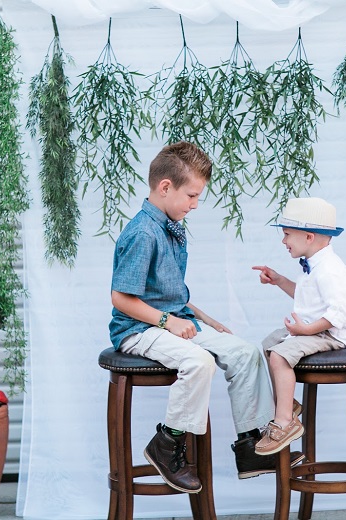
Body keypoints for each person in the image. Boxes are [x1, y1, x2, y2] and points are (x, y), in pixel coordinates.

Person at [109, 141, 301, 493]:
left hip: (172, 320)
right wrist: (168, 322)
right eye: (192, 196)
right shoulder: (142, 233)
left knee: (243, 352)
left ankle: (251, 447)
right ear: (165, 187)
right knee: (199, 363)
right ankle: (167, 445)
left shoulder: (169, 223)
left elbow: (167, 291)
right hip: (138, 329)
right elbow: (121, 298)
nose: (195, 204)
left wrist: (205, 319)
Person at [252, 197, 346, 455]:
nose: (283, 241)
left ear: (308, 237)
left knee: (280, 355)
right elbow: (308, 300)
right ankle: (287, 403)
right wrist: (279, 280)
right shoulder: (313, 266)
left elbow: (339, 312)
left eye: (287, 234)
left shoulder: (329, 271)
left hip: (334, 333)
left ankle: (284, 422)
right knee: (270, 344)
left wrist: (305, 331)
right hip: (319, 327)